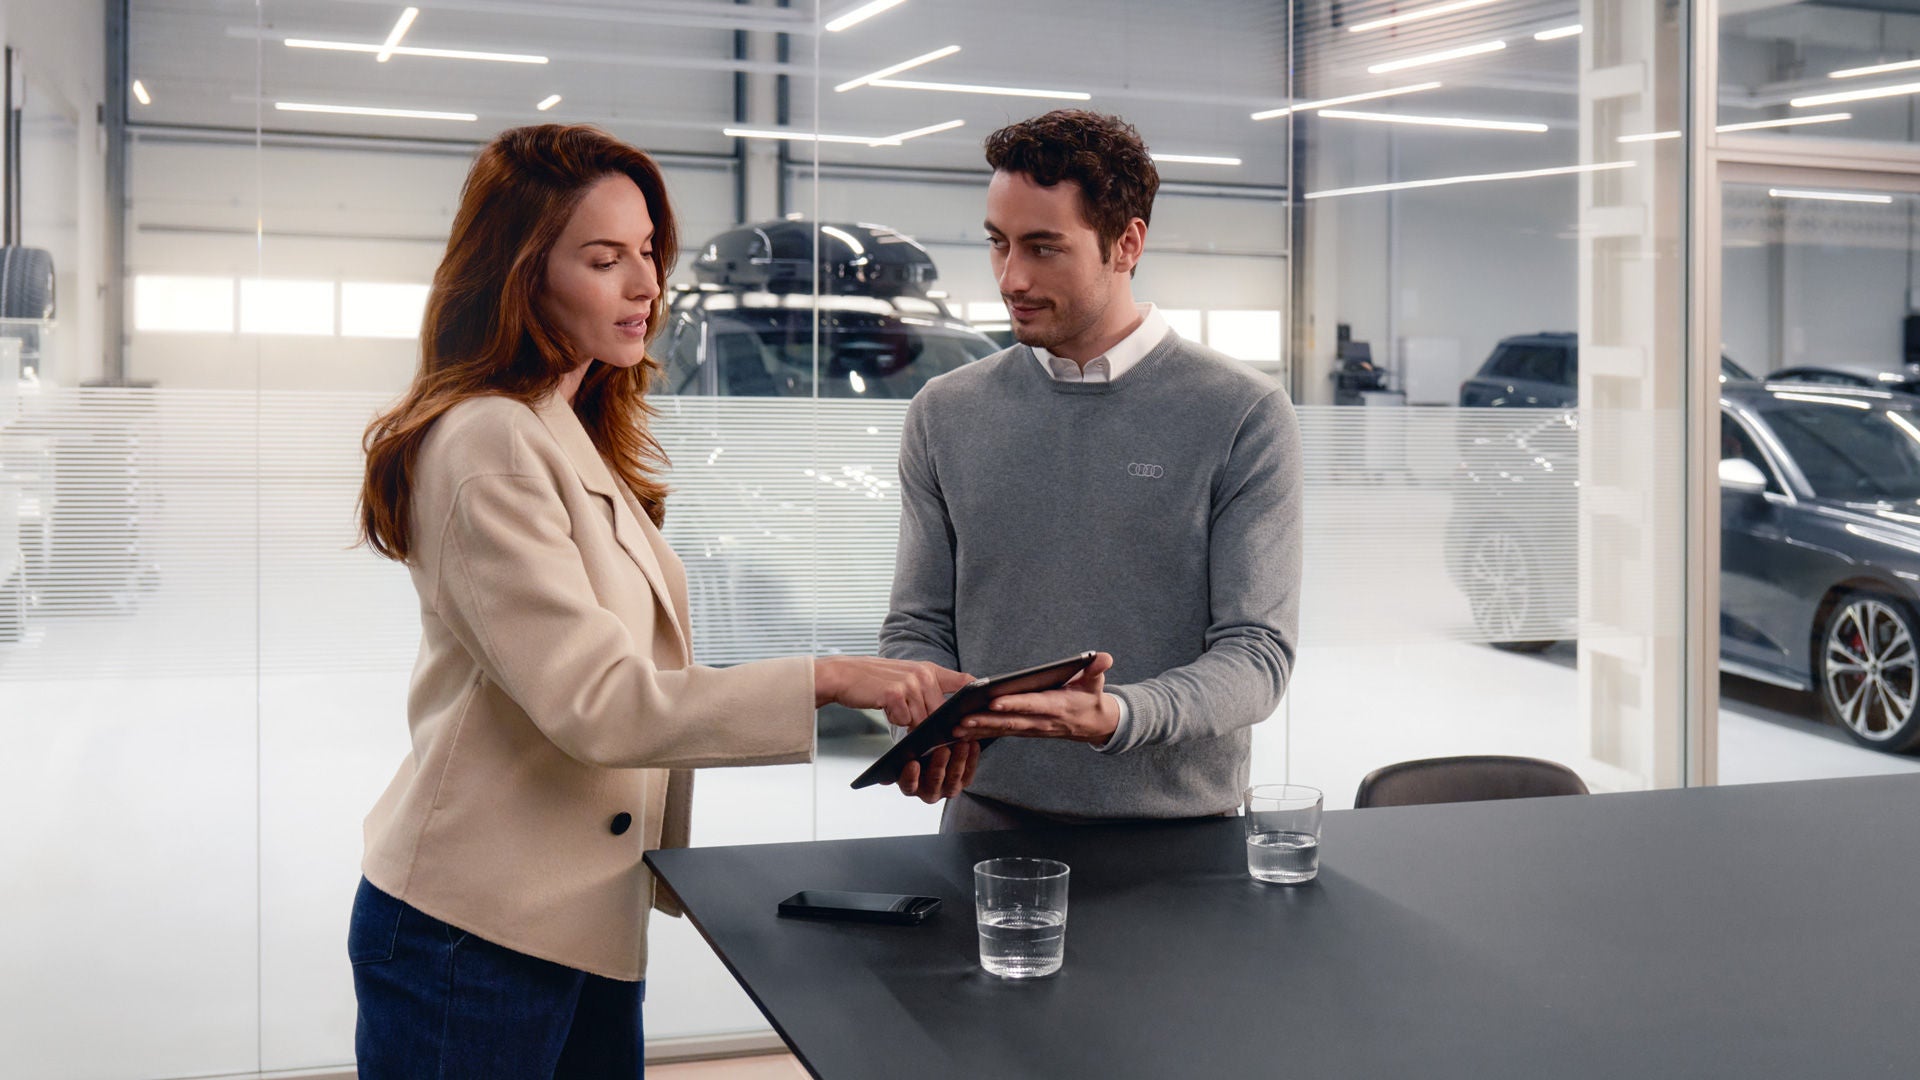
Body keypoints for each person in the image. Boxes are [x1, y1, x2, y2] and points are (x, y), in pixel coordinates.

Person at [348, 123, 971, 1078]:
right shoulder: (489, 442)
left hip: (580, 915)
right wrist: (832, 677)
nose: (645, 285)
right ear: (522, 273)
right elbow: (600, 701)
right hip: (475, 930)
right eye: (605, 259)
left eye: (647, 253)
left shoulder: (565, 426)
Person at [880, 109, 1302, 831]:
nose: (1011, 277)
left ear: (1126, 244)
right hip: (985, 823)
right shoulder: (944, 412)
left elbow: (1257, 653)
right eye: (999, 244)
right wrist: (920, 722)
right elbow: (919, 624)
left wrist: (1119, 716)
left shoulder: (1242, 412)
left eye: (1044, 248)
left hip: (1180, 835)